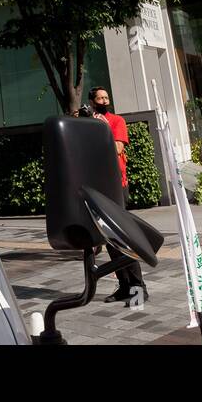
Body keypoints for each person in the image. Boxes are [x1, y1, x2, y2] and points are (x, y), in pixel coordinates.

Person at [86, 87, 147, 306]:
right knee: (110, 239)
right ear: (92, 101)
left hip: (116, 186)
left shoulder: (116, 121)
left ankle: (139, 288)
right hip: (98, 186)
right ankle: (124, 286)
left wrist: (102, 128)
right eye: (100, 98)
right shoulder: (89, 124)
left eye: (106, 97)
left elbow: (117, 149)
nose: (104, 100)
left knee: (123, 237)